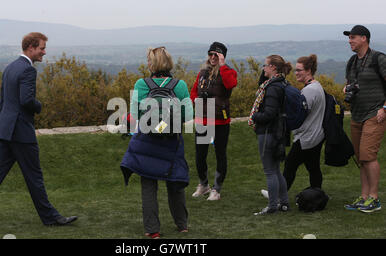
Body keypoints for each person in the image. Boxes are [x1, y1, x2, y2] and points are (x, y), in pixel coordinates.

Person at [0, 32, 77, 230]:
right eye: (42, 48)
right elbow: (26, 100)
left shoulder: (10, 67)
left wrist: (4, 124)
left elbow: (4, 101)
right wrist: (39, 106)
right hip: (20, 132)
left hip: (5, 129)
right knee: (34, 177)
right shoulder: (28, 70)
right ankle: (51, 218)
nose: (44, 52)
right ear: (30, 47)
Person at [120, 46, 193, 239]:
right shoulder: (180, 85)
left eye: (149, 60)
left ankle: (152, 230)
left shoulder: (141, 84)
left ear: (154, 63)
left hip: (147, 140)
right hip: (172, 141)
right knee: (175, 182)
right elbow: (187, 116)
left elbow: (135, 116)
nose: (147, 63)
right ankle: (182, 225)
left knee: (149, 185)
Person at [342, 25, 386, 213]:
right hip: (357, 114)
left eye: (353, 37)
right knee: (361, 158)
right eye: (349, 38)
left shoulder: (379, 58)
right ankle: (364, 196)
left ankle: (374, 199)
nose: (350, 41)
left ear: (364, 39)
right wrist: (347, 89)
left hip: (375, 113)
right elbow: (350, 83)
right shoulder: (352, 61)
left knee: (368, 155)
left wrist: (385, 108)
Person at [190, 42, 238, 201]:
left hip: (220, 121)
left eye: (216, 55)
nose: (212, 57)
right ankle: (203, 185)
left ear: (222, 56)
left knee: (220, 154)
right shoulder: (203, 72)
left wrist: (222, 65)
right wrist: (195, 103)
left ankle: (216, 189)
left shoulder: (228, 72)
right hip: (204, 118)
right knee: (200, 155)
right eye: (210, 54)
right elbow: (194, 90)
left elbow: (231, 84)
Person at [248, 55, 291, 215]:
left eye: (265, 65)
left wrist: (254, 116)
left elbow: (270, 113)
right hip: (277, 132)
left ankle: (272, 206)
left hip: (268, 132)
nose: (263, 68)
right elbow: (262, 83)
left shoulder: (272, 87)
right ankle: (284, 202)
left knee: (270, 171)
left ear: (273, 67)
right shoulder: (280, 83)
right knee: (276, 170)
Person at [282, 54, 326, 190]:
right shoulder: (316, 86)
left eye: (299, 70)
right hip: (317, 135)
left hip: (307, 137)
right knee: (313, 166)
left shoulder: (309, 90)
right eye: (296, 70)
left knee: (290, 164)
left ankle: (279, 195)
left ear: (308, 71)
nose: (296, 73)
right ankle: (317, 193)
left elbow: (299, 115)